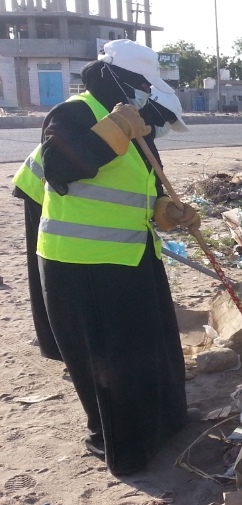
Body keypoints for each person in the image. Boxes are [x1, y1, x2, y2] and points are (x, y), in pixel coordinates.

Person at [16, 39, 198, 476]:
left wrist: (168, 212)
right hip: (81, 264)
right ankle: (125, 447)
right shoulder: (74, 115)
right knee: (111, 363)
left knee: (151, 349)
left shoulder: (136, 130)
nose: (143, 94)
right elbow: (61, 170)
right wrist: (116, 129)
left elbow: (141, 192)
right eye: (138, 84)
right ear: (116, 78)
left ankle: (164, 426)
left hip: (131, 254)